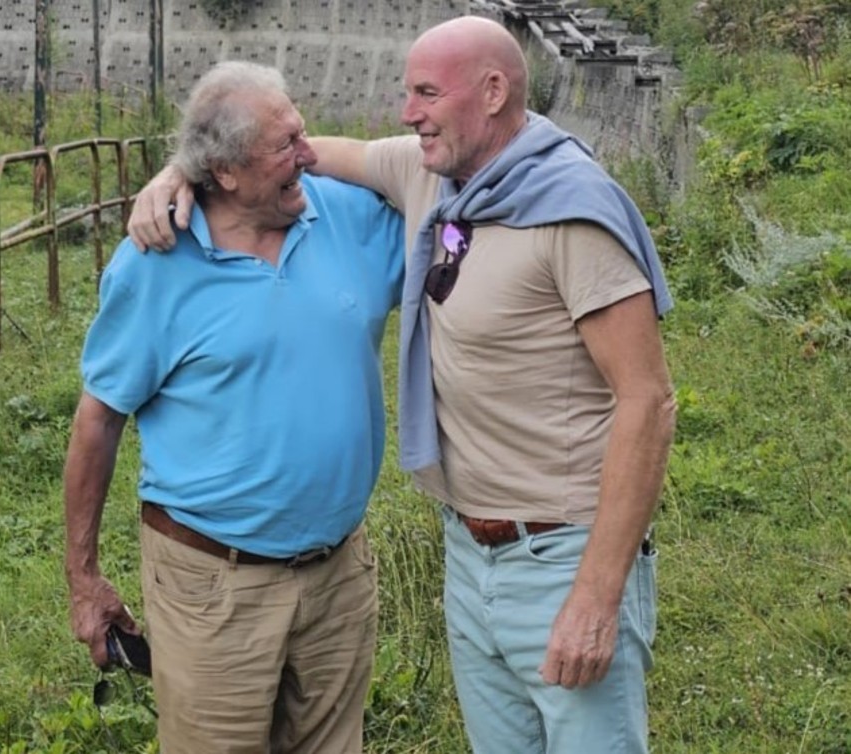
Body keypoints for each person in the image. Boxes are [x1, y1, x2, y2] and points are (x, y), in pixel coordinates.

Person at [128, 16, 676, 754]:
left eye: (424, 92)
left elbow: (649, 399)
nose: (405, 112)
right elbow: (291, 154)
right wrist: (181, 171)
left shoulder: (571, 210)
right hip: (472, 554)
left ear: (491, 92)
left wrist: (598, 595)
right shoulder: (432, 173)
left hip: (562, 558)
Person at [64, 61, 405, 754]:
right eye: (284, 146)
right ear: (222, 173)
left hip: (338, 574)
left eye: (302, 132)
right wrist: (84, 578)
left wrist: (175, 171)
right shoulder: (155, 264)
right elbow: (99, 419)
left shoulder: (348, 213)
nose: (306, 154)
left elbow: (453, 183)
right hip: (213, 586)